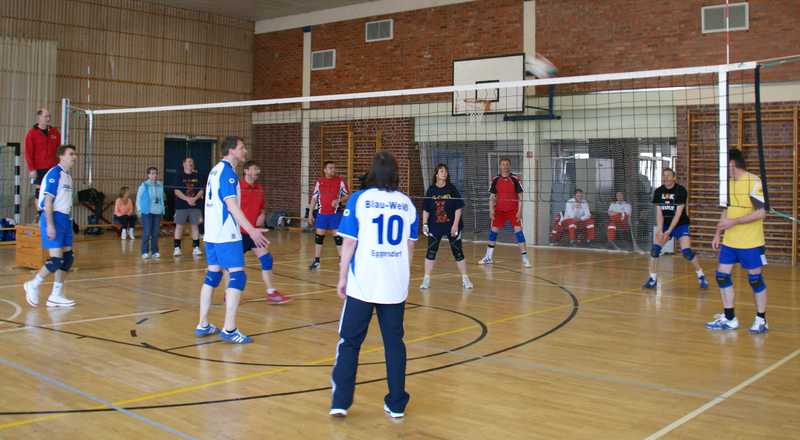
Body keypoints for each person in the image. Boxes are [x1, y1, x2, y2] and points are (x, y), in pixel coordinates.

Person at [329, 151, 417, 418]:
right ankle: (397, 404)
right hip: (394, 284)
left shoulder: (359, 199)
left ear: (372, 172)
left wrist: (342, 276)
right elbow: (410, 247)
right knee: (394, 343)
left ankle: (340, 402)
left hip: (363, 283)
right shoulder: (407, 204)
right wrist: (402, 273)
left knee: (349, 342)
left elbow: (349, 242)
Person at [194, 136, 267, 344]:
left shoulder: (215, 170)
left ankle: (203, 324)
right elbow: (232, 205)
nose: (245, 151)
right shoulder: (228, 173)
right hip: (226, 234)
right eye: (242, 148)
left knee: (213, 274)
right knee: (237, 276)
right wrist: (251, 230)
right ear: (231, 151)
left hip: (211, 234)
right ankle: (229, 329)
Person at [706, 149, 769, 333]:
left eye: (724, 165)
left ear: (732, 164)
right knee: (721, 276)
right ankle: (729, 318)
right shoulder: (727, 184)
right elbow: (725, 210)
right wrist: (718, 233)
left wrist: (734, 222)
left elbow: (761, 213)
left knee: (755, 280)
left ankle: (761, 320)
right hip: (730, 242)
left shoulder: (753, 182)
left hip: (751, 242)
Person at [23, 144, 77, 308]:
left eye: (75, 154)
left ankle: (55, 295)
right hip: (52, 217)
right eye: (71, 154)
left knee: (68, 258)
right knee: (55, 260)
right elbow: (48, 201)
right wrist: (50, 225)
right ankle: (33, 284)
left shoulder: (68, 176)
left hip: (65, 219)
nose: (74, 157)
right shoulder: (55, 173)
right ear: (61, 156)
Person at [644, 168, 708, 289]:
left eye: (668, 175)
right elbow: (659, 213)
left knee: (687, 252)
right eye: (664, 175)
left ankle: (701, 275)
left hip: (680, 224)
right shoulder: (658, 191)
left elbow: (678, 214)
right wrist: (660, 229)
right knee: (655, 250)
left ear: (674, 177)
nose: (666, 178)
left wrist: (669, 231)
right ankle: (652, 279)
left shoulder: (680, 190)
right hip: (665, 223)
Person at [239, 160, 290, 304]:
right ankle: (229, 293)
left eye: (258, 169)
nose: (258, 172)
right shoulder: (237, 187)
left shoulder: (259, 188)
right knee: (233, 266)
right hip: (238, 233)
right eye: (255, 169)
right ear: (246, 171)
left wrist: (262, 214)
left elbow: (261, 207)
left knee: (267, 259)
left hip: (255, 232)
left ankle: (271, 292)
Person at [419, 163, 472, 290]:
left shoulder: (451, 189)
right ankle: (426, 279)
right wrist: (424, 224)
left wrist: (455, 225)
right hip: (435, 226)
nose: (444, 173)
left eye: (446, 171)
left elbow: (458, 208)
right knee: (431, 252)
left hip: (451, 226)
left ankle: (465, 279)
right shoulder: (431, 190)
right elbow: (426, 209)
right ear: (436, 174)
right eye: (442, 171)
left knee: (458, 252)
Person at [478, 158, 531, 267]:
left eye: (507, 164)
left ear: (509, 166)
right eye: (503, 164)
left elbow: (521, 197)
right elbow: (492, 197)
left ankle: (525, 258)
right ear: (500, 166)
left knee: (519, 233)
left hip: (513, 210)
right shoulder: (496, 179)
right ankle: (488, 257)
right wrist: (491, 210)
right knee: (493, 232)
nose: (505, 166)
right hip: (499, 210)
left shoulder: (515, 179)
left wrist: (520, 211)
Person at [308, 161, 349, 270]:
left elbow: (347, 195)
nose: (333, 170)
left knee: (338, 238)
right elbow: (314, 198)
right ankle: (317, 261)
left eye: (334, 168)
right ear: (325, 170)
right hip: (322, 214)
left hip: (335, 214)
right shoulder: (319, 182)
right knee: (319, 237)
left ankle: (342, 260)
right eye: (330, 168)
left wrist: (339, 200)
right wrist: (310, 213)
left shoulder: (340, 181)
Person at [24, 108, 60, 197]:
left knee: (51, 192)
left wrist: (59, 166)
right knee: (39, 193)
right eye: (46, 116)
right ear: (39, 117)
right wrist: (31, 169)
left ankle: (48, 206)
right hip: (39, 168)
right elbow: (28, 153)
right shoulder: (32, 133)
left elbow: (59, 150)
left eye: (49, 116)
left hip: (52, 167)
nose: (48, 119)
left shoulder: (55, 132)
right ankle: (39, 207)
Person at [173, 157, 204, 257]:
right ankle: (177, 248)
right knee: (179, 226)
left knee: (195, 226)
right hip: (181, 206)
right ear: (184, 164)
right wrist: (187, 199)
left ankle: (196, 247)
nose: (191, 163)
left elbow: (201, 190)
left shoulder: (198, 176)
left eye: (192, 162)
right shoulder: (179, 175)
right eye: (189, 161)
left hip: (195, 205)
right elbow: (176, 191)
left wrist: (195, 198)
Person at [137, 167, 165, 259]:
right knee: (147, 232)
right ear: (148, 175)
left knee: (155, 233)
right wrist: (139, 210)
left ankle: (155, 251)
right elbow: (138, 198)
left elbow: (161, 198)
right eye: (152, 173)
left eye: (156, 173)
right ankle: (144, 251)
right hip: (147, 211)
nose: (155, 175)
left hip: (157, 211)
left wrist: (163, 209)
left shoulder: (160, 185)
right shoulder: (144, 185)